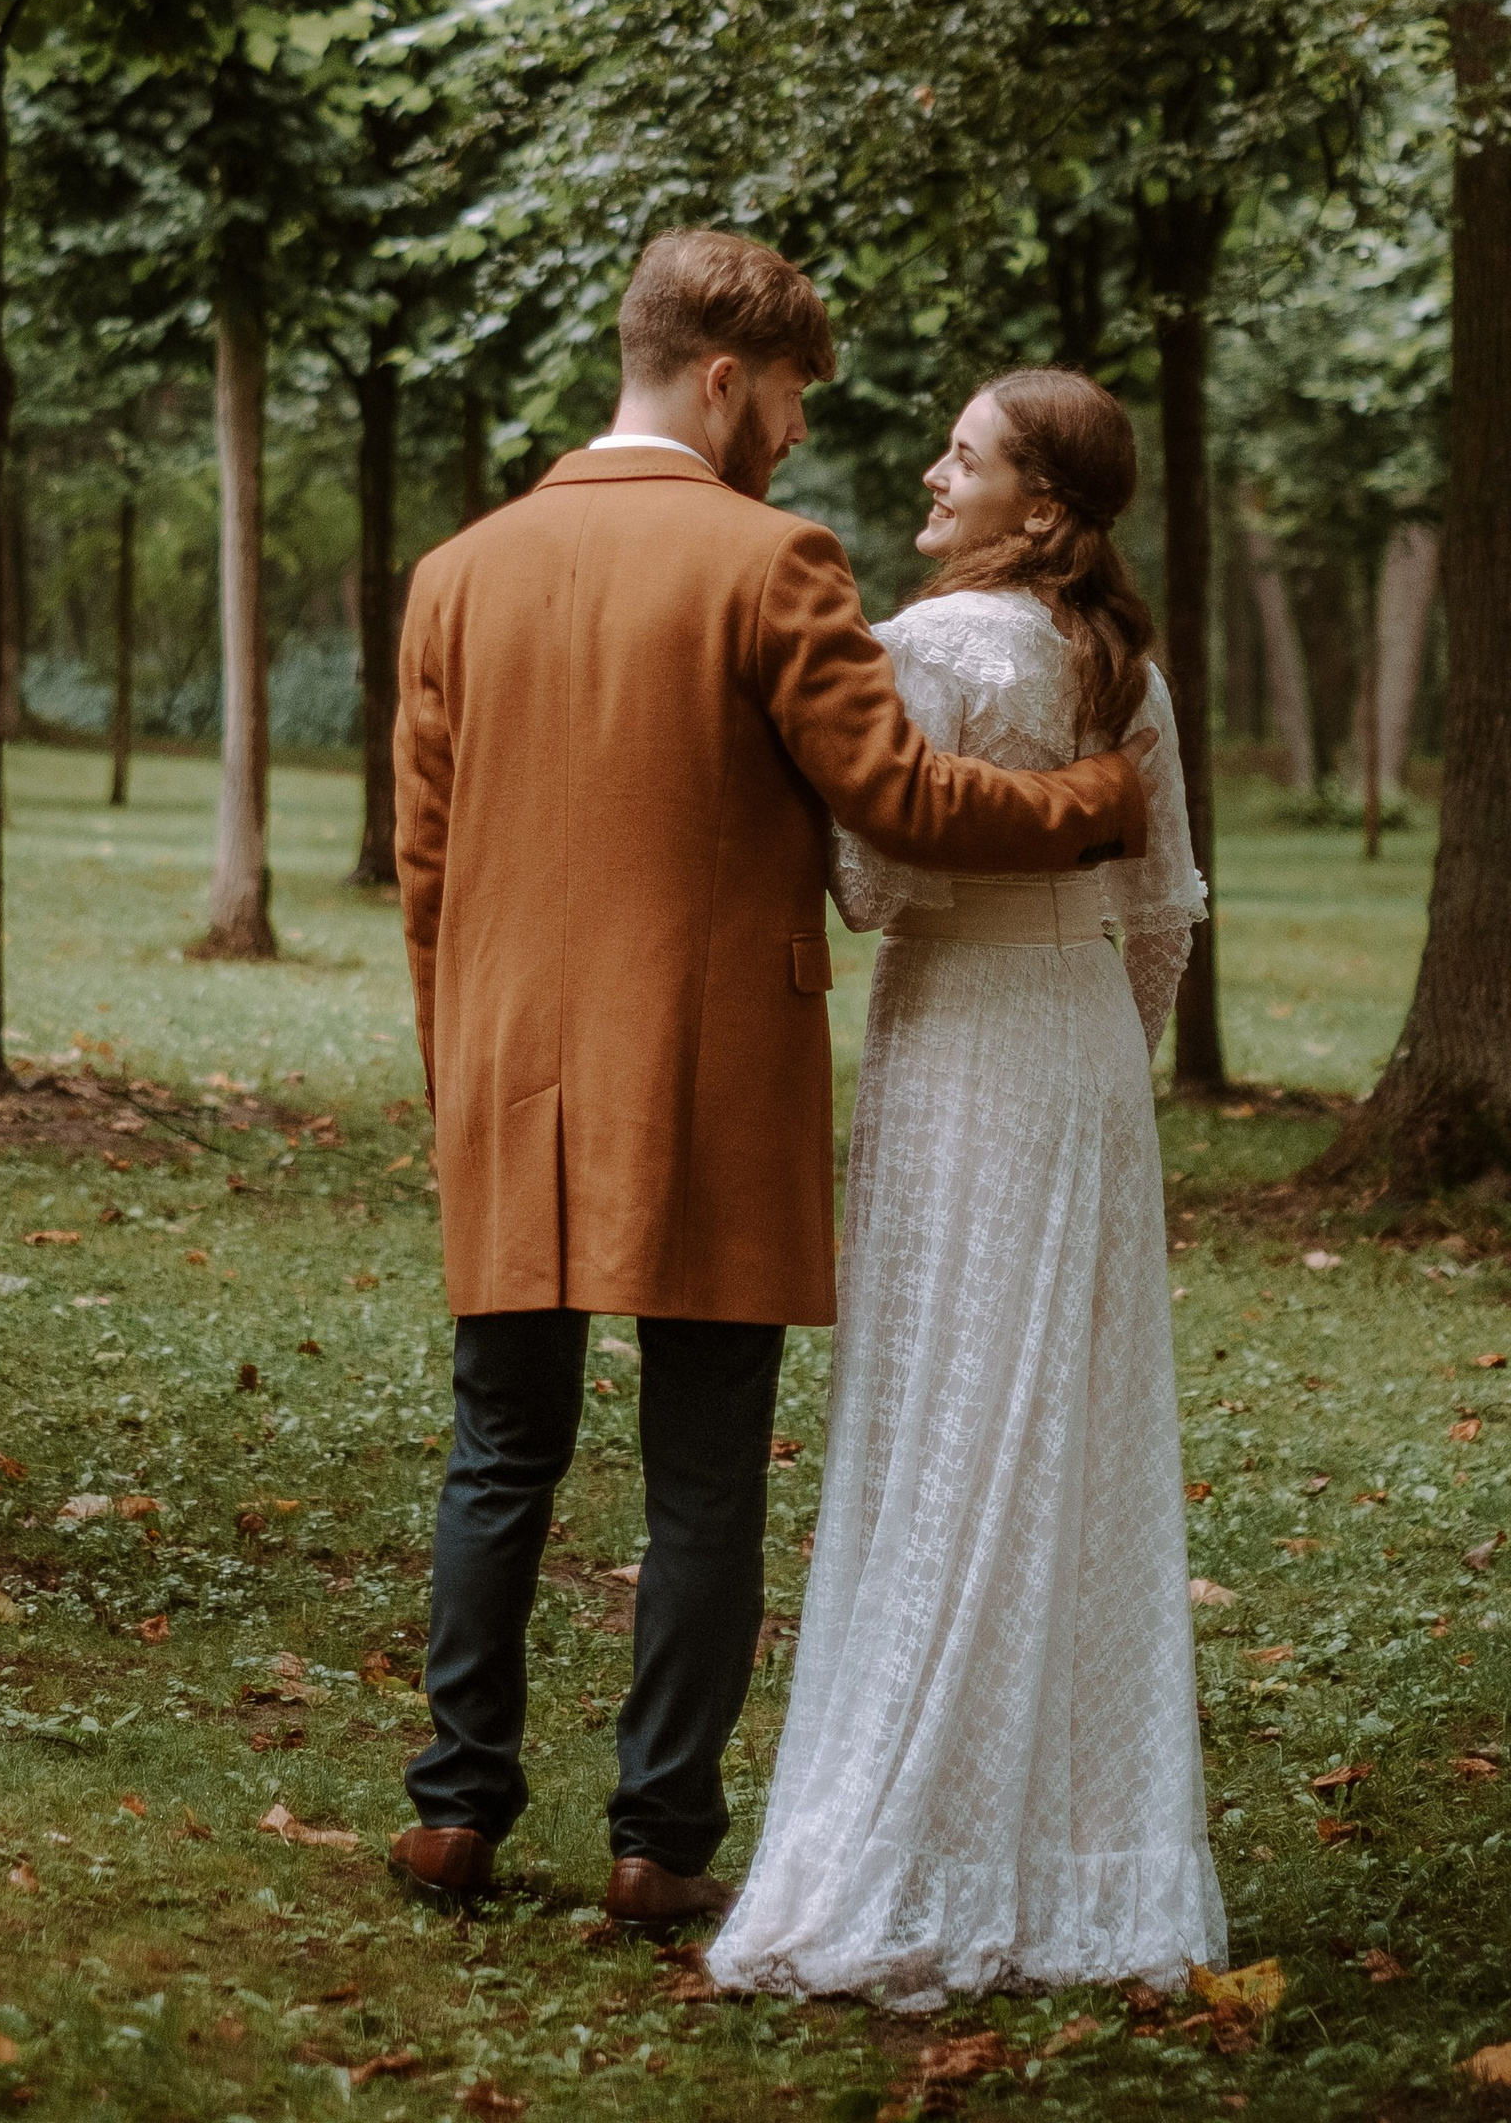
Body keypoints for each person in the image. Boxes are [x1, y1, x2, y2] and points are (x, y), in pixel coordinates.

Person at [386, 234, 1152, 1926]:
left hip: (507, 1069)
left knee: (499, 1451)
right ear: (725, 380)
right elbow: (904, 801)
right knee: (704, 1472)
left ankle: (454, 1813)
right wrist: (1096, 801)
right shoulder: (774, 560)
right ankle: (659, 1843)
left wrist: (459, 1072)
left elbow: (424, 866)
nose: (800, 432)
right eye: (794, 395)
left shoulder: (458, 571)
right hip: (710, 1062)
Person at [704, 368, 1225, 2007]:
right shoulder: (1129, 671)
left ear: (1040, 506)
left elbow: (869, 884)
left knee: (945, 1412)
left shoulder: (926, 649)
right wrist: (1101, 1056)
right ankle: (1084, 1849)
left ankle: (915, 1827)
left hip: (957, 1044)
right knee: (1065, 1426)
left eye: (966, 454)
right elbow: (1163, 918)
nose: (936, 473)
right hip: (1082, 1054)